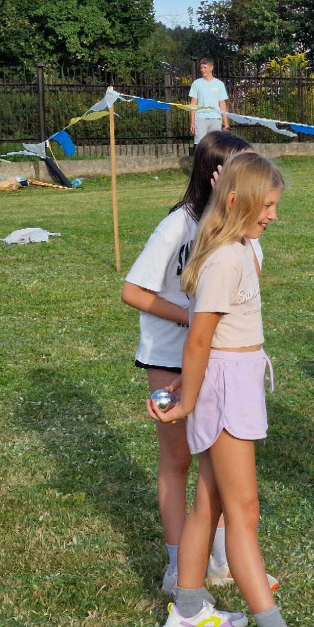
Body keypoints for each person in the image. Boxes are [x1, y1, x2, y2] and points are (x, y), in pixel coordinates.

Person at [148, 152, 300, 627]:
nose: (274, 215)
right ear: (236, 201)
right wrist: (189, 398)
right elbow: (197, 338)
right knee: (243, 511)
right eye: (268, 205)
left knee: (209, 502)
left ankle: (188, 611)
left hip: (232, 380)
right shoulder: (225, 259)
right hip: (227, 391)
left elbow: (205, 342)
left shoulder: (234, 249)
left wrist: (187, 387)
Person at [122, 132, 278, 596]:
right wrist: (191, 318)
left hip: (219, 361)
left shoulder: (241, 234)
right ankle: (177, 568)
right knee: (178, 460)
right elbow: (133, 292)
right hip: (172, 356)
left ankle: (224, 561)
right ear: (216, 176)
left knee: (220, 473)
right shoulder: (177, 225)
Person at [189, 59, 230, 146]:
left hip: (215, 118)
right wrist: (192, 122)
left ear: (211, 68)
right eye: (201, 68)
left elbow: (222, 104)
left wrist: (225, 123)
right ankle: (199, 160)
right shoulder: (196, 84)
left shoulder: (219, 84)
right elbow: (193, 104)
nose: (203, 70)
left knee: (215, 144)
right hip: (200, 118)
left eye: (205, 67)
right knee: (200, 144)